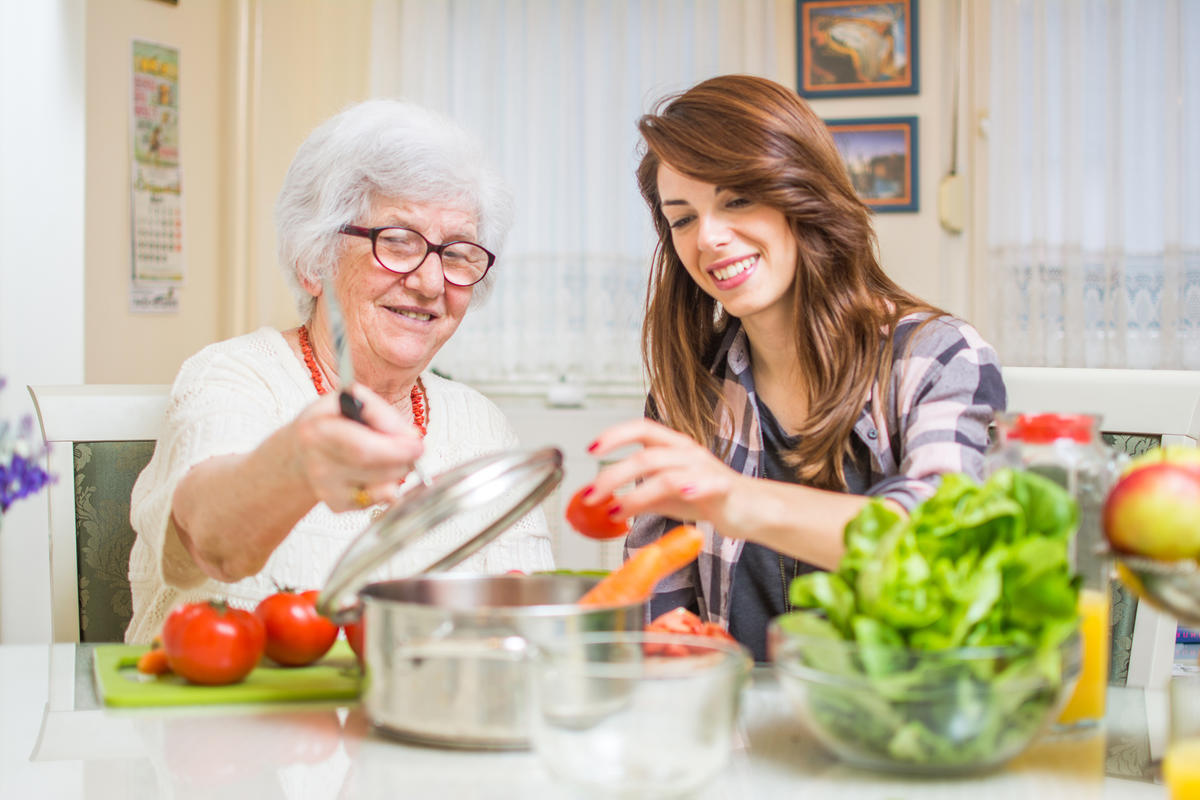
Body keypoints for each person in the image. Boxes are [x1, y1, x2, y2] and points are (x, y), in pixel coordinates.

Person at [579, 75, 1005, 661]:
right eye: (682, 219)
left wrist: (736, 501)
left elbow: (945, 547)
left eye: (738, 200)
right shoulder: (690, 389)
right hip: (737, 738)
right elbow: (661, 609)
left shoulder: (936, 356)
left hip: (899, 731)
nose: (710, 237)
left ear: (801, 193)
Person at [125, 100, 554, 643]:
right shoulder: (234, 377)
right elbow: (212, 539)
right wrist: (297, 462)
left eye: (457, 253)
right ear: (314, 261)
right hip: (220, 722)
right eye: (397, 241)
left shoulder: (480, 424)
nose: (429, 283)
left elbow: (531, 623)